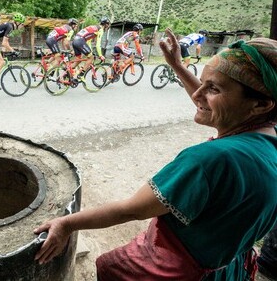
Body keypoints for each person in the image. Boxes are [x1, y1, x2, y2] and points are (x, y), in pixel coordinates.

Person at [34, 28, 277, 280]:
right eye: (202, 83)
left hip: (179, 270)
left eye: (213, 89)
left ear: (260, 104)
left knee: (110, 266)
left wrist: (67, 224)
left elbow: (131, 210)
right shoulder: (268, 138)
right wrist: (178, 67)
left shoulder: (211, 159)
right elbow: (211, 104)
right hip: (226, 265)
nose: (197, 96)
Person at [71, 17, 110, 82]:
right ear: (106, 24)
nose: (108, 26)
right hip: (80, 41)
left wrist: (90, 51)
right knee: (91, 58)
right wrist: (100, 55)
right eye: (108, 24)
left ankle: (67, 74)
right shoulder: (100, 29)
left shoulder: (94, 27)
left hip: (75, 40)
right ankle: (81, 75)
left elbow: (88, 41)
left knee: (78, 60)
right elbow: (98, 44)